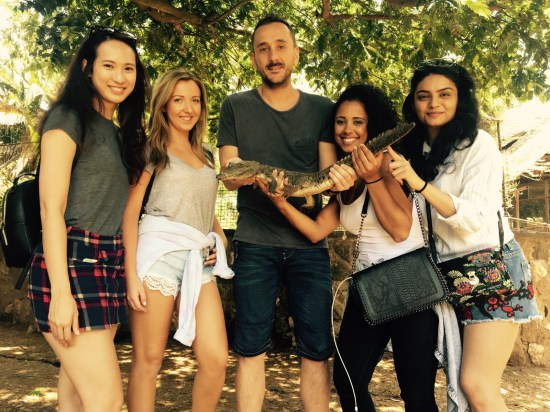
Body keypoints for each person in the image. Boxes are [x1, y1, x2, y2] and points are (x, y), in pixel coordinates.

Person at [262, 84, 441, 411]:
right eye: (341, 121)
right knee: (348, 380)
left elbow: (401, 230)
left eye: (358, 122)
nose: (347, 129)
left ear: (372, 126)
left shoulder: (385, 163)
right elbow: (317, 230)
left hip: (409, 287)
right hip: (369, 288)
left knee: (417, 395)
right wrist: (281, 203)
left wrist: (373, 179)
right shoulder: (346, 177)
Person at [217, 13, 355, 412]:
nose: (273, 56)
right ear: (253, 58)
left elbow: (325, 179)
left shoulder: (322, 108)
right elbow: (229, 175)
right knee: (250, 347)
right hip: (254, 243)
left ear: (296, 53)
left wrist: (338, 180)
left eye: (280, 47)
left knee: (316, 349)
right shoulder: (235, 106)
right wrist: (257, 178)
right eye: (263, 49)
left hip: (309, 249)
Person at [392, 58, 542, 412]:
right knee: (461, 385)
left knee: (477, 384)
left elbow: (474, 217)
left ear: (461, 99)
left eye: (445, 94)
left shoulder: (478, 146)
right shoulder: (417, 150)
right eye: (424, 96)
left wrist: (418, 184)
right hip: (448, 275)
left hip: (492, 270)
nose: (434, 103)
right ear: (413, 102)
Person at [27, 27, 148, 411]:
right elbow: (51, 208)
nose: (120, 76)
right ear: (86, 68)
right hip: (73, 262)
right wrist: (61, 293)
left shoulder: (118, 133)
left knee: (77, 393)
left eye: (128, 68)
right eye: (109, 65)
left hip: (108, 262)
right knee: (107, 400)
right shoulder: (67, 117)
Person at [122, 68, 232, 412]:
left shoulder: (207, 155)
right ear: (164, 105)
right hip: (158, 257)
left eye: (195, 100)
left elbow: (205, 210)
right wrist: (131, 276)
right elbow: (130, 214)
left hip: (198, 260)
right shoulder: (151, 150)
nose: (188, 108)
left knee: (216, 358)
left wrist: (220, 241)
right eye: (179, 100)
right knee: (149, 359)